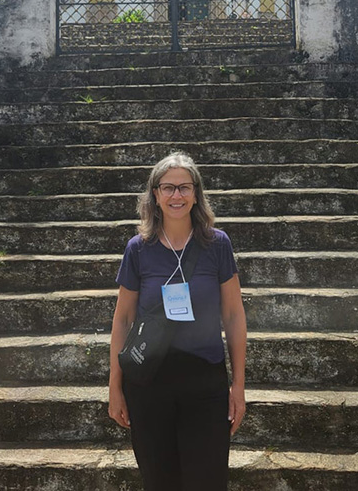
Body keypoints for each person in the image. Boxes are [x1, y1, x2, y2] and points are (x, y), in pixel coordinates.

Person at [109, 151, 247, 491]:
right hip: (149, 382)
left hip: (205, 380)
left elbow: (233, 315)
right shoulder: (138, 249)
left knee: (207, 480)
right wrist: (115, 387)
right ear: (155, 195)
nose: (176, 195)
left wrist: (238, 385)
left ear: (196, 194)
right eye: (168, 188)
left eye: (184, 187)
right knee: (160, 480)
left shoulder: (217, 245)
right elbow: (123, 319)